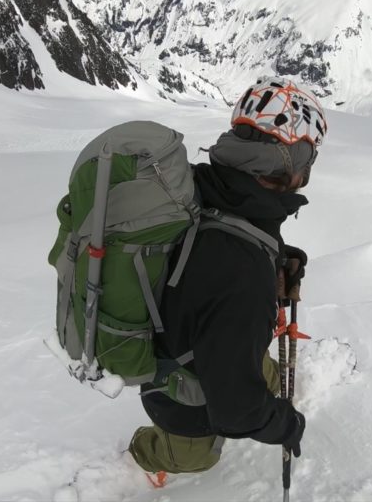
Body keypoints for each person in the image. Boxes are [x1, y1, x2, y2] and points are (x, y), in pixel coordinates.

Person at [127, 77, 328, 486]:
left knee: (249, 366)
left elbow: (226, 237)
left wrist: (276, 257)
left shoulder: (208, 184)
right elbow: (237, 412)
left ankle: (255, 377)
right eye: (307, 156)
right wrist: (283, 426)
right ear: (283, 164)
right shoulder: (242, 275)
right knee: (196, 457)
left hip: (193, 336)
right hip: (175, 388)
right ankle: (145, 452)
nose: (308, 169)